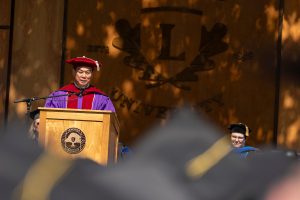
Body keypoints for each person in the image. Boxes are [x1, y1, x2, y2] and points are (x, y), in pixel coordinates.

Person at [44, 56, 115, 111]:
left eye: (87, 72)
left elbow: (110, 121)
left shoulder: (100, 98)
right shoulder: (60, 95)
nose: (84, 76)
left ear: (92, 74)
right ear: (74, 73)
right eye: (80, 72)